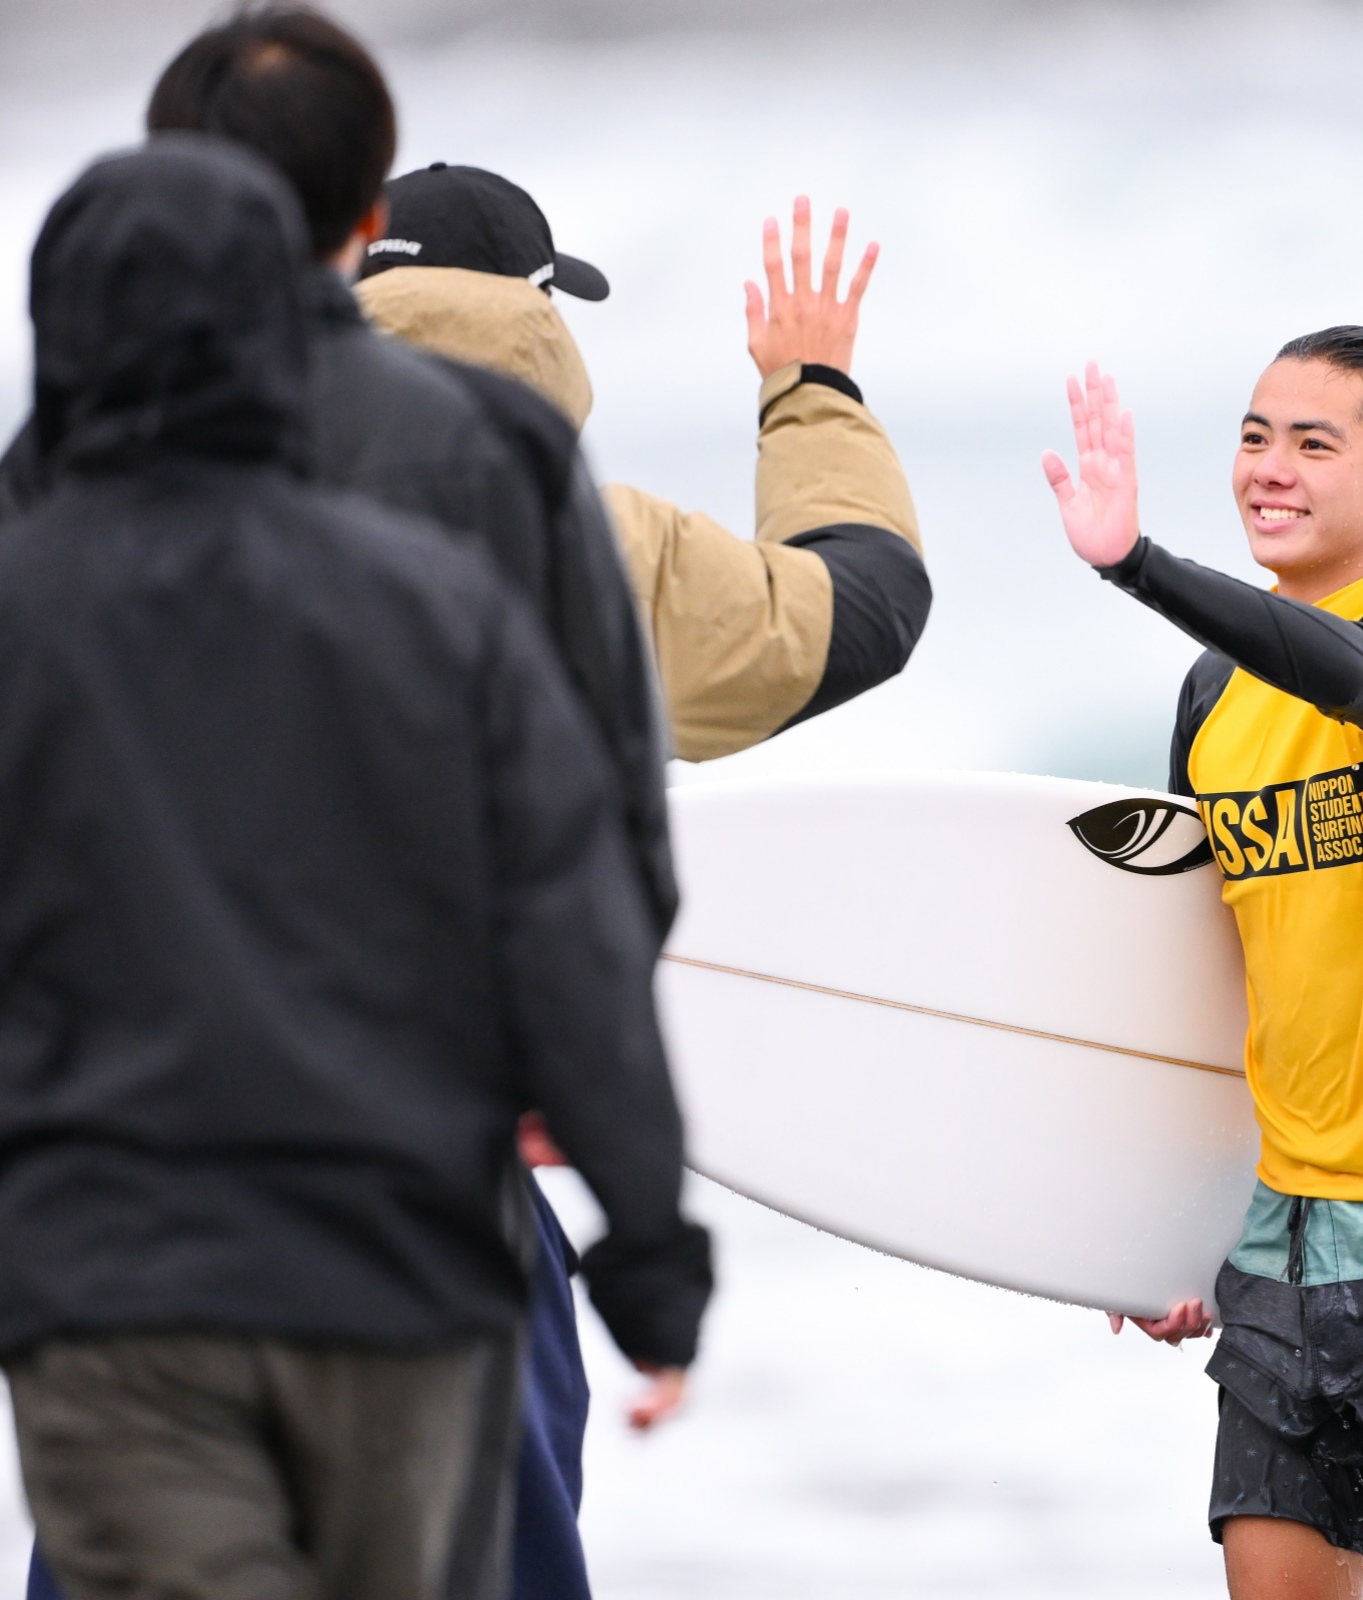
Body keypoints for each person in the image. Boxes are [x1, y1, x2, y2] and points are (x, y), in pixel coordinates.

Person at [0, 11, 679, 1600]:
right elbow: (598, 849)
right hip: (418, 1196)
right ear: (365, 211)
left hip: (115, 1218)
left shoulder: (37, 503)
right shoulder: (492, 456)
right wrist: (599, 1144)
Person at [1041, 331, 1363, 1600]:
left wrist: (1140, 565)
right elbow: (1205, 974)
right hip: (1283, 1230)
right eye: (1254, 436)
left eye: (1313, 443)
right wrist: (1162, 1224)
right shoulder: (1215, 693)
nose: (1269, 467)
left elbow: (1360, 674)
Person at [353, 164, 931, 762]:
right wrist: (813, 386)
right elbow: (871, 603)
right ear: (536, 312)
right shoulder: (595, 554)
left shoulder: (284, 509)